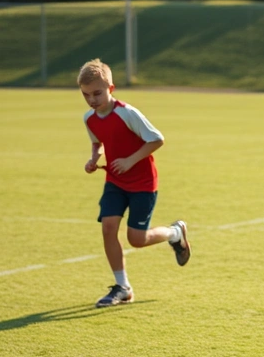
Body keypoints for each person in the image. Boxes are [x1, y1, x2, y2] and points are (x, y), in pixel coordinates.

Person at [77, 58, 191, 308]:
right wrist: (93, 159)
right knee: (108, 228)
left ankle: (174, 233)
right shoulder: (90, 119)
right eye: (86, 95)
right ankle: (123, 287)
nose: (92, 100)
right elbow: (98, 143)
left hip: (142, 183)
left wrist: (130, 160)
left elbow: (156, 139)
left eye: (97, 93)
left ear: (111, 88)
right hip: (115, 182)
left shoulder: (126, 113)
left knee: (136, 240)